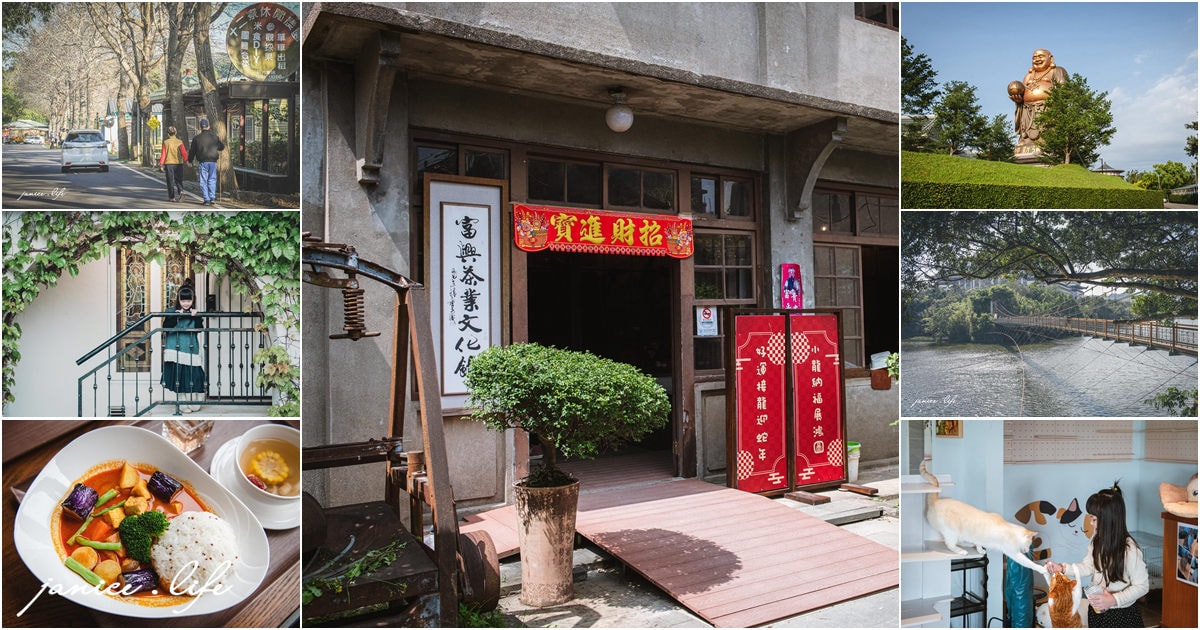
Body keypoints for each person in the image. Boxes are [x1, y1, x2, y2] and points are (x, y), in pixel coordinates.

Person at [1045, 482, 1149, 628]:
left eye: (1094, 519)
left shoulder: (1129, 550)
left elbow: (1142, 586)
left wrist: (1113, 599)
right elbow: (1088, 566)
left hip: (1122, 615)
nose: (1091, 523)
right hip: (1098, 610)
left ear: (1109, 520)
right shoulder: (1097, 540)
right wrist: (1062, 568)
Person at [1009, 49, 1069, 157]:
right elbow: (1022, 92)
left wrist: (1052, 98)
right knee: (1026, 136)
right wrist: (1018, 100)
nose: (1037, 59)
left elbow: (1064, 90)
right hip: (1028, 110)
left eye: (1040, 56)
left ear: (1051, 58)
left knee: (1046, 133)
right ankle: (1026, 143)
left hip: (1047, 109)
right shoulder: (1029, 75)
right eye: (1034, 57)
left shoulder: (1057, 71)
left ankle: (1047, 145)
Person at [161, 280, 206, 413]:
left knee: (195, 375)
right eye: (183, 300)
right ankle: (182, 401)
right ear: (178, 300)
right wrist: (176, 316)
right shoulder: (171, 311)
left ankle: (197, 397)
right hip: (174, 348)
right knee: (178, 376)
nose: (186, 303)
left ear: (193, 300)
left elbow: (199, 329)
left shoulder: (195, 313)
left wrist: (196, 317)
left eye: (189, 300)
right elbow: (166, 327)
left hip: (190, 347)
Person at [188, 119, 225, 206]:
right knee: (212, 179)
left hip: (203, 162)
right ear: (209, 126)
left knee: (203, 181)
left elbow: (192, 151)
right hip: (213, 162)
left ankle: (206, 199)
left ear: (200, 127)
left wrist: (190, 161)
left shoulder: (196, 138)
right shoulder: (215, 137)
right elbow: (221, 147)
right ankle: (212, 197)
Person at [158, 126, 189, 202]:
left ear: (168, 134)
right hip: (178, 163)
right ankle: (181, 191)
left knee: (170, 180)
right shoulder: (179, 142)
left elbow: (163, 154)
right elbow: (184, 153)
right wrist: (187, 161)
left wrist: (161, 164)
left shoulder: (166, 142)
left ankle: (172, 197)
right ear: (175, 133)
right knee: (179, 180)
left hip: (169, 164)